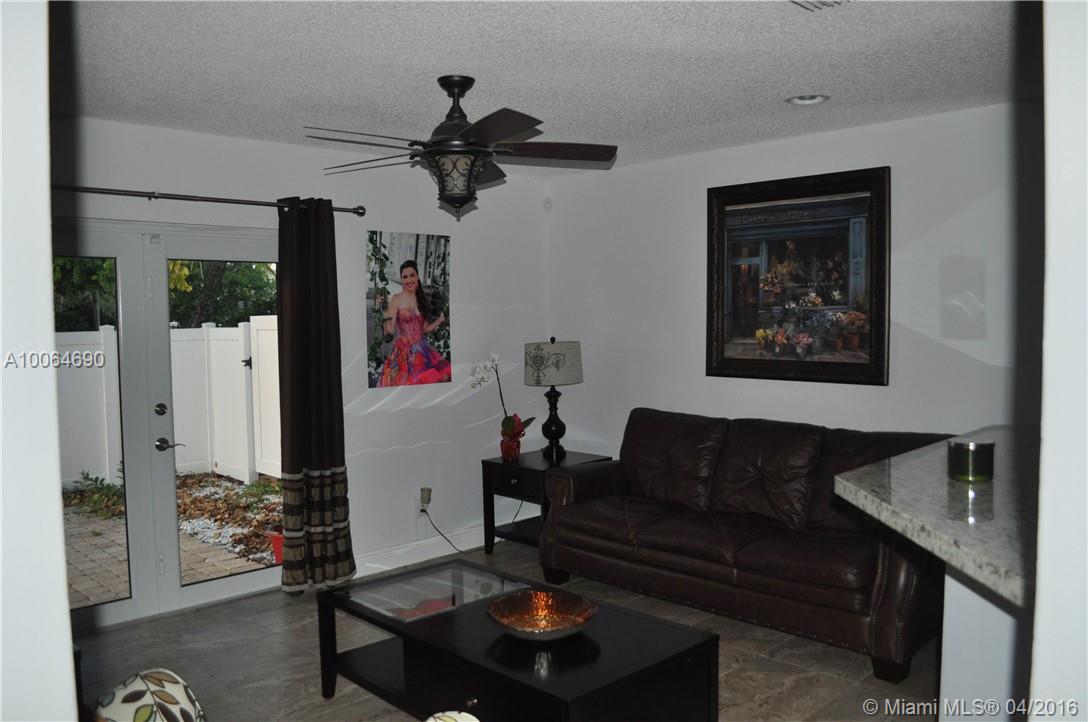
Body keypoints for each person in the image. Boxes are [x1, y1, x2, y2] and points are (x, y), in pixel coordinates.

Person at [377, 260, 451, 386]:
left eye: (412, 275)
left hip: (422, 349)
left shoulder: (422, 300)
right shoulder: (396, 299)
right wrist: (384, 309)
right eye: (405, 277)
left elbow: (425, 329)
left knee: (435, 379)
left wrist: (439, 320)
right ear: (401, 280)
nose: (409, 280)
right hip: (403, 352)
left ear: (417, 276)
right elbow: (389, 332)